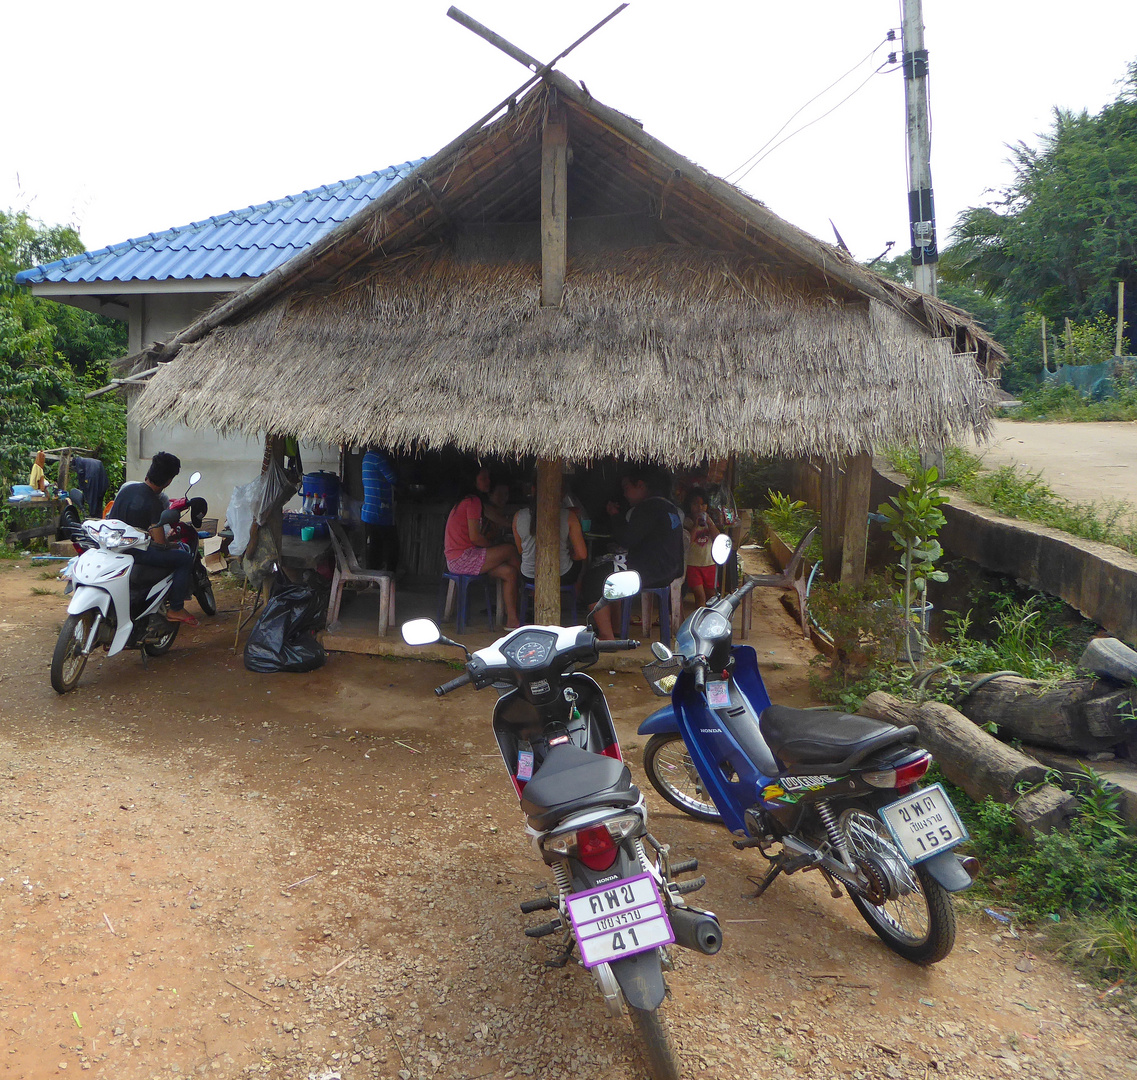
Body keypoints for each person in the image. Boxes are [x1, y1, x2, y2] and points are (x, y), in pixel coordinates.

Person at [585, 469, 684, 639]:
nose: (624, 494)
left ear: (640, 485)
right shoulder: (669, 507)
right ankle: (616, 628)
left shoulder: (647, 509)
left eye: (626, 488)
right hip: (670, 570)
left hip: (649, 572)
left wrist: (615, 516)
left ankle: (606, 635)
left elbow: (626, 540)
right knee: (610, 570)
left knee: (593, 577)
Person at [108, 451, 198, 626]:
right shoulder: (154, 502)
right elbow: (159, 543)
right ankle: (176, 608)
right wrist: (172, 544)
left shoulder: (126, 490)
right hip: (137, 553)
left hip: (115, 548)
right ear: (169, 480)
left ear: (149, 471)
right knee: (185, 558)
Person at [443, 470, 521, 628]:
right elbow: (475, 538)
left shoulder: (467, 501)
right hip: (464, 559)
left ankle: (512, 620)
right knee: (510, 550)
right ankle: (526, 591)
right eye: (483, 479)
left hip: (459, 561)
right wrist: (494, 548)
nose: (487, 482)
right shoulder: (473, 501)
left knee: (509, 572)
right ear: (473, 481)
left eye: (488, 478)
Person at [512, 483, 587, 588]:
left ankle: (533, 594)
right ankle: (577, 596)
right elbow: (582, 555)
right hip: (561, 576)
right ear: (561, 493)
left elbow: (520, 550)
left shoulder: (518, 516)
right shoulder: (568, 516)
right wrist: (570, 555)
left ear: (533, 489)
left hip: (529, 576)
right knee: (580, 564)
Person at [361, 449, 398, 572]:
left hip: (369, 511)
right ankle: (389, 577)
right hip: (379, 511)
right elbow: (393, 478)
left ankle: (374, 579)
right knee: (392, 546)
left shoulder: (367, 457)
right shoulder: (378, 458)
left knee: (375, 546)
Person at [683, 487, 721, 608]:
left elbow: (718, 538)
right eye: (695, 504)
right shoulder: (687, 522)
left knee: (711, 594)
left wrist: (710, 524)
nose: (700, 508)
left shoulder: (711, 522)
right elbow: (689, 540)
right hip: (693, 565)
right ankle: (699, 621)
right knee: (700, 595)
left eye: (703, 504)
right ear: (689, 505)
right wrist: (695, 525)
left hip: (709, 564)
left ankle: (708, 620)